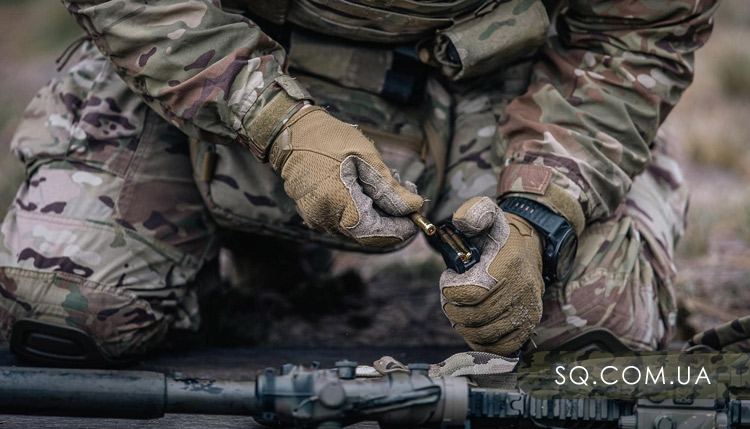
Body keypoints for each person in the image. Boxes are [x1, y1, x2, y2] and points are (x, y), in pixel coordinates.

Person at [0, 0, 717, 365]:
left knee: (592, 338)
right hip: (215, 66)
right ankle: (249, 256)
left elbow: (637, 36)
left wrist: (544, 210)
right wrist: (277, 123)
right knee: (65, 309)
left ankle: (624, 197)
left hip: (496, 92)